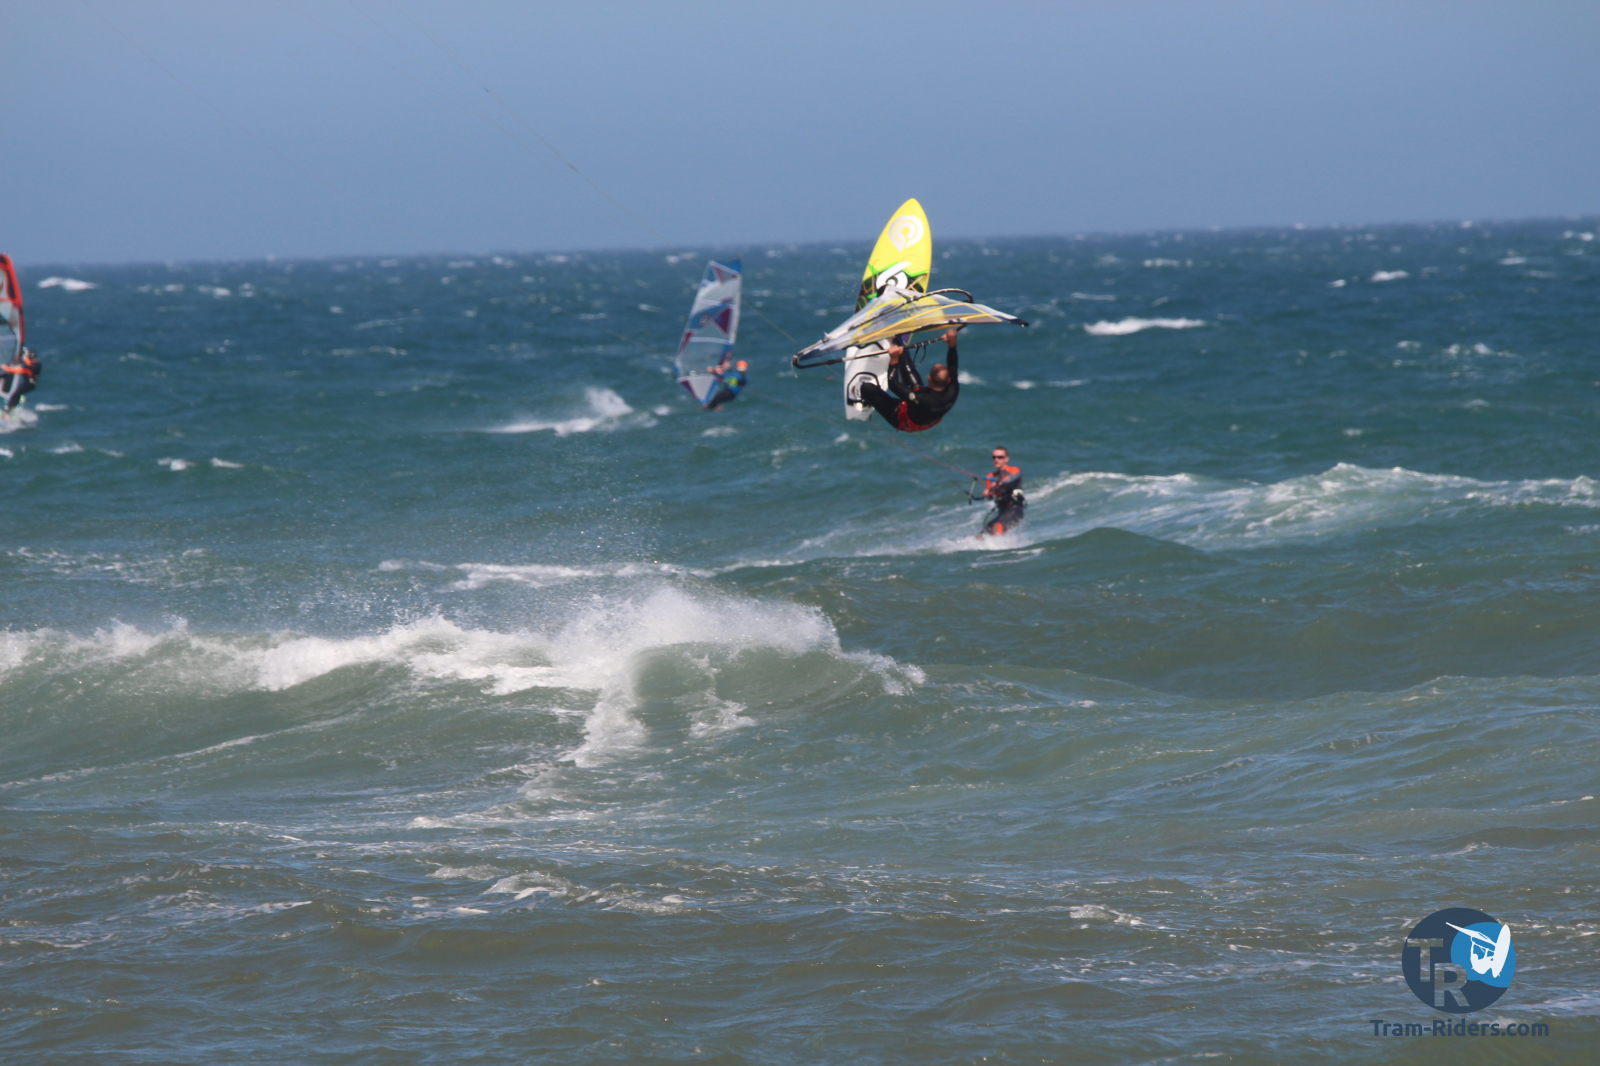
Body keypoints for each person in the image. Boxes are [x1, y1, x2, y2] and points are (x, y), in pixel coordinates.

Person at [851, 327, 960, 433]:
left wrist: (894, 359)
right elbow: (953, 366)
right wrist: (952, 345)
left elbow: (893, 384)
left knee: (866, 388)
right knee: (902, 353)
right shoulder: (953, 389)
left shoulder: (920, 397)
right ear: (949, 380)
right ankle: (896, 339)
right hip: (922, 409)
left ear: (929, 379)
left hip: (903, 419)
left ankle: (862, 397)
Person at [979, 446, 1025, 537]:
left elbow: (1010, 479)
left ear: (1006, 459)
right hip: (1002, 512)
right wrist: (987, 493)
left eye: (1000, 457)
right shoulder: (990, 476)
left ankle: (998, 546)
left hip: (1015, 510)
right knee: (981, 536)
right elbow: (990, 496)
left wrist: (998, 483)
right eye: (994, 457)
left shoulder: (1014, 470)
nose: (996, 460)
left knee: (998, 527)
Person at [0, 347, 40, 413]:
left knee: (15, 394)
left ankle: (8, 409)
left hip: (30, 384)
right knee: (17, 394)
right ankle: (12, 407)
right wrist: (25, 354)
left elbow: (16, 370)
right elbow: (27, 362)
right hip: (29, 384)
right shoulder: (32, 365)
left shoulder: (34, 366)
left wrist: (4, 367)